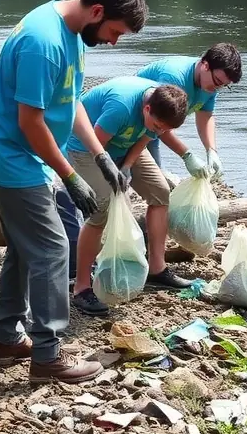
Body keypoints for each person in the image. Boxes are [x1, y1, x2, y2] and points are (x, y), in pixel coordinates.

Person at [0, 0, 147, 384]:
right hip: (12, 157)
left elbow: (72, 102)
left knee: (22, 246)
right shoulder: (43, 42)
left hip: (25, 157)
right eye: (115, 32)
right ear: (97, 12)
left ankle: (7, 340)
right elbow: (30, 121)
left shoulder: (70, 31)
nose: (114, 42)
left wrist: (101, 156)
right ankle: (48, 355)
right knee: (52, 249)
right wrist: (70, 176)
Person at [67, 78, 191, 316]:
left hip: (125, 145)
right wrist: (110, 169)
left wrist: (127, 166)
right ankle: (81, 287)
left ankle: (157, 267)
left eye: (165, 129)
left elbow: (146, 136)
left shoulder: (160, 109)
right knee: (101, 208)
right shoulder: (121, 107)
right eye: (157, 125)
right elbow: (95, 145)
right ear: (146, 109)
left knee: (160, 191)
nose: (160, 132)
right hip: (86, 148)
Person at [136, 43, 242, 180]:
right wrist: (187, 155)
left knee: (157, 183)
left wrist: (211, 150)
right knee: (148, 179)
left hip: (153, 129)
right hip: (133, 121)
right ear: (205, 65)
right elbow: (160, 123)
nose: (217, 88)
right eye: (217, 81)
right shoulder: (174, 79)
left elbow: (206, 116)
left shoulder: (210, 86)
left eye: (224, 85)